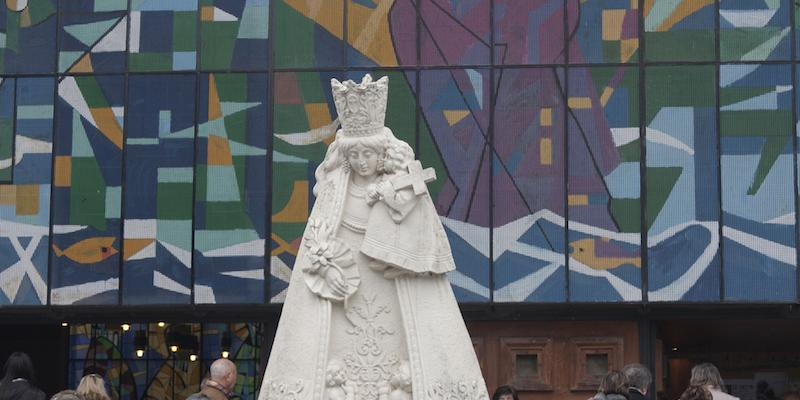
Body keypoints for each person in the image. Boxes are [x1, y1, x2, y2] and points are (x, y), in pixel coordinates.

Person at [258, 75, 487, 400]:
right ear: (346, 156)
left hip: (394, 283)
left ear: (382, 153)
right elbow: (317, 243)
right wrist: (328, 269)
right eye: (355, 155)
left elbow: (422, 242)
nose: (362, 162)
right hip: (345, 287)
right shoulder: (334, 190)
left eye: (368, 154)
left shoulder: (404, 186)